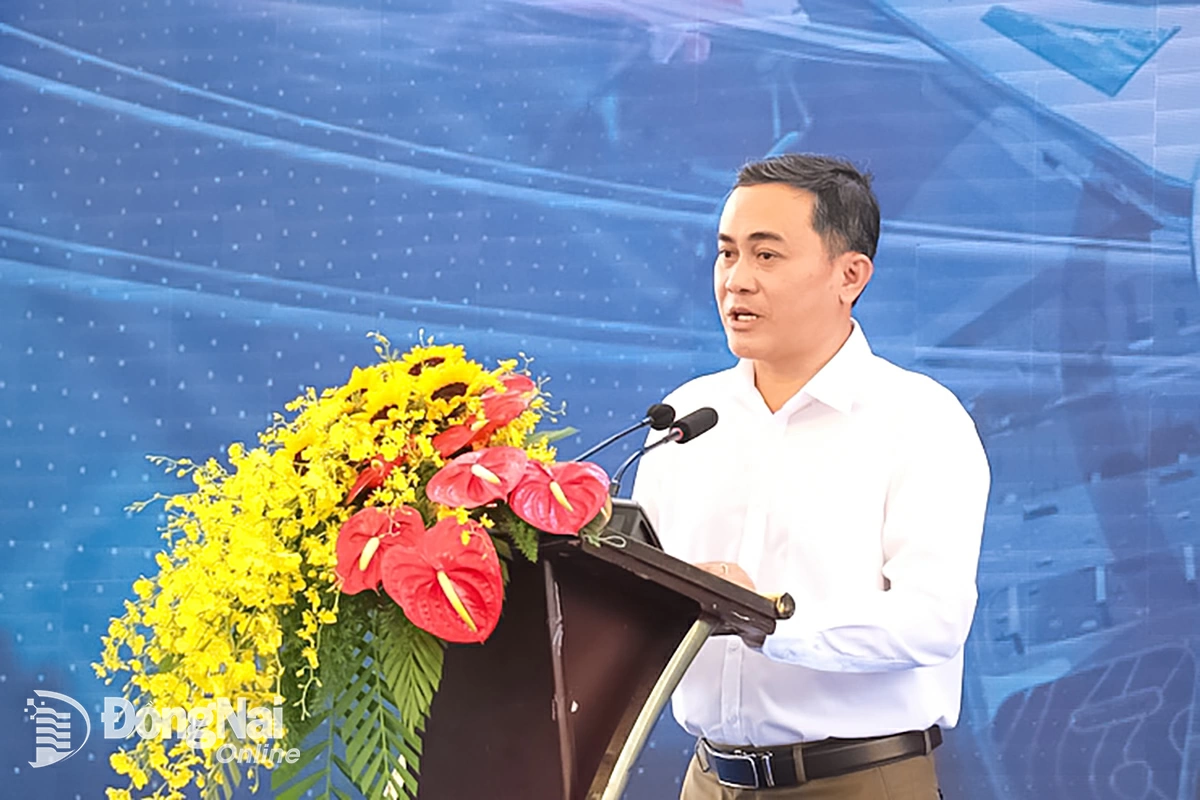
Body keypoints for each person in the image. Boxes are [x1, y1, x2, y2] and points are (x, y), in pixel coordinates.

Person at [631, 153, 991, 799]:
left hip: (857, 779)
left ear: (849, 274)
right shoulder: (685, 417)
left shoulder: (918, 419)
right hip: (707, 778)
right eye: (727, 253)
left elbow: (932, 620)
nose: (736, 280)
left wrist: (768, 619)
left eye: (767, 256)